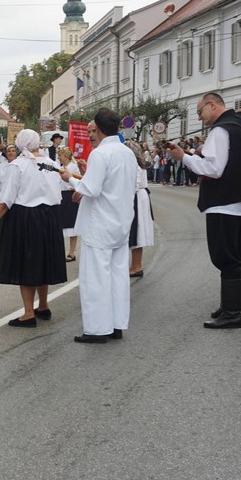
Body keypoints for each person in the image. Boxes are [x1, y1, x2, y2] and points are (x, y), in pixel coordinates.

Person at [167, 93, 241, 329]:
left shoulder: (221, 130)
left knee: (224, 257)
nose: (199, 117)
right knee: (236, 256)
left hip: (224, 201)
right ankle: (231, 305)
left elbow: (213, 168)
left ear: (212, 105)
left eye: (200, 111)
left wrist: (183, 157)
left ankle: (231, 312)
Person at [65, 108, 138, 343]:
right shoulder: (126, 152)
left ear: (99, 127)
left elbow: (91, 188)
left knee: (95, 278)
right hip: (121, 221)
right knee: (117, 276)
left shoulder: (100, 154)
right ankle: (116, 324)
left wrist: (69, 179)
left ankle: (97, 329)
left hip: (100, 223)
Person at [0, 129, 66, 327]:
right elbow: (59, 193)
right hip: (50, 216)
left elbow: (6, 199)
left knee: (27, 263)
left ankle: (29, 313)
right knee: (43, 260)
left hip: (27, 215)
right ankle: (43, 306)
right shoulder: (52, 164)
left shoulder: (17, 165)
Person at [124, 140, 155, 279]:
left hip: (136, 198)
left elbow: (133, 185)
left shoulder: (134, 165)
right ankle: (135, 265)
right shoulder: (138, 164)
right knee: (137, 233)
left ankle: (136, 266)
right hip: (139, 197)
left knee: (136, 233)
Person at [55, 146, 81, 262]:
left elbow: (78, 182)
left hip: (70, 196)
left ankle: (71, 253)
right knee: (61, 225)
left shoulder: (74, 167)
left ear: (65, 156)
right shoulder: (60, 168)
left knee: (71, 226)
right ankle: (60, 251)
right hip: (61, 196)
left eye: (60, 155)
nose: (59, 158)